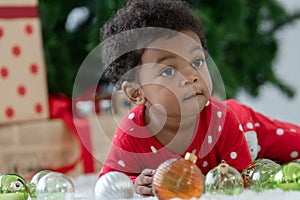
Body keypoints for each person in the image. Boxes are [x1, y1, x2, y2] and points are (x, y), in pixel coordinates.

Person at [98, 0, 300, 196]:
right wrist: (136, 184)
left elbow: (241, 183)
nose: (191, 76)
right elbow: (108, 182)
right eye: (168, 71)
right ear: (136, 93)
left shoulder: (223, 120)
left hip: (247, 127)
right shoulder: (132, 133)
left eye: (196, 61)